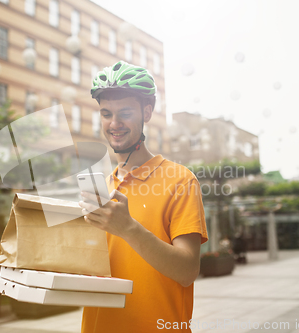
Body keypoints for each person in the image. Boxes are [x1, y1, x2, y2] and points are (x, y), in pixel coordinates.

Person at [79, 61, 208, 332]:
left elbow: (187, 272)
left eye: (125, 112)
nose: (114, 124)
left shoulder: (180, 180)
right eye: (106, 114)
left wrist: (128, 228)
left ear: (146, 113)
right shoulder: (102, 187)